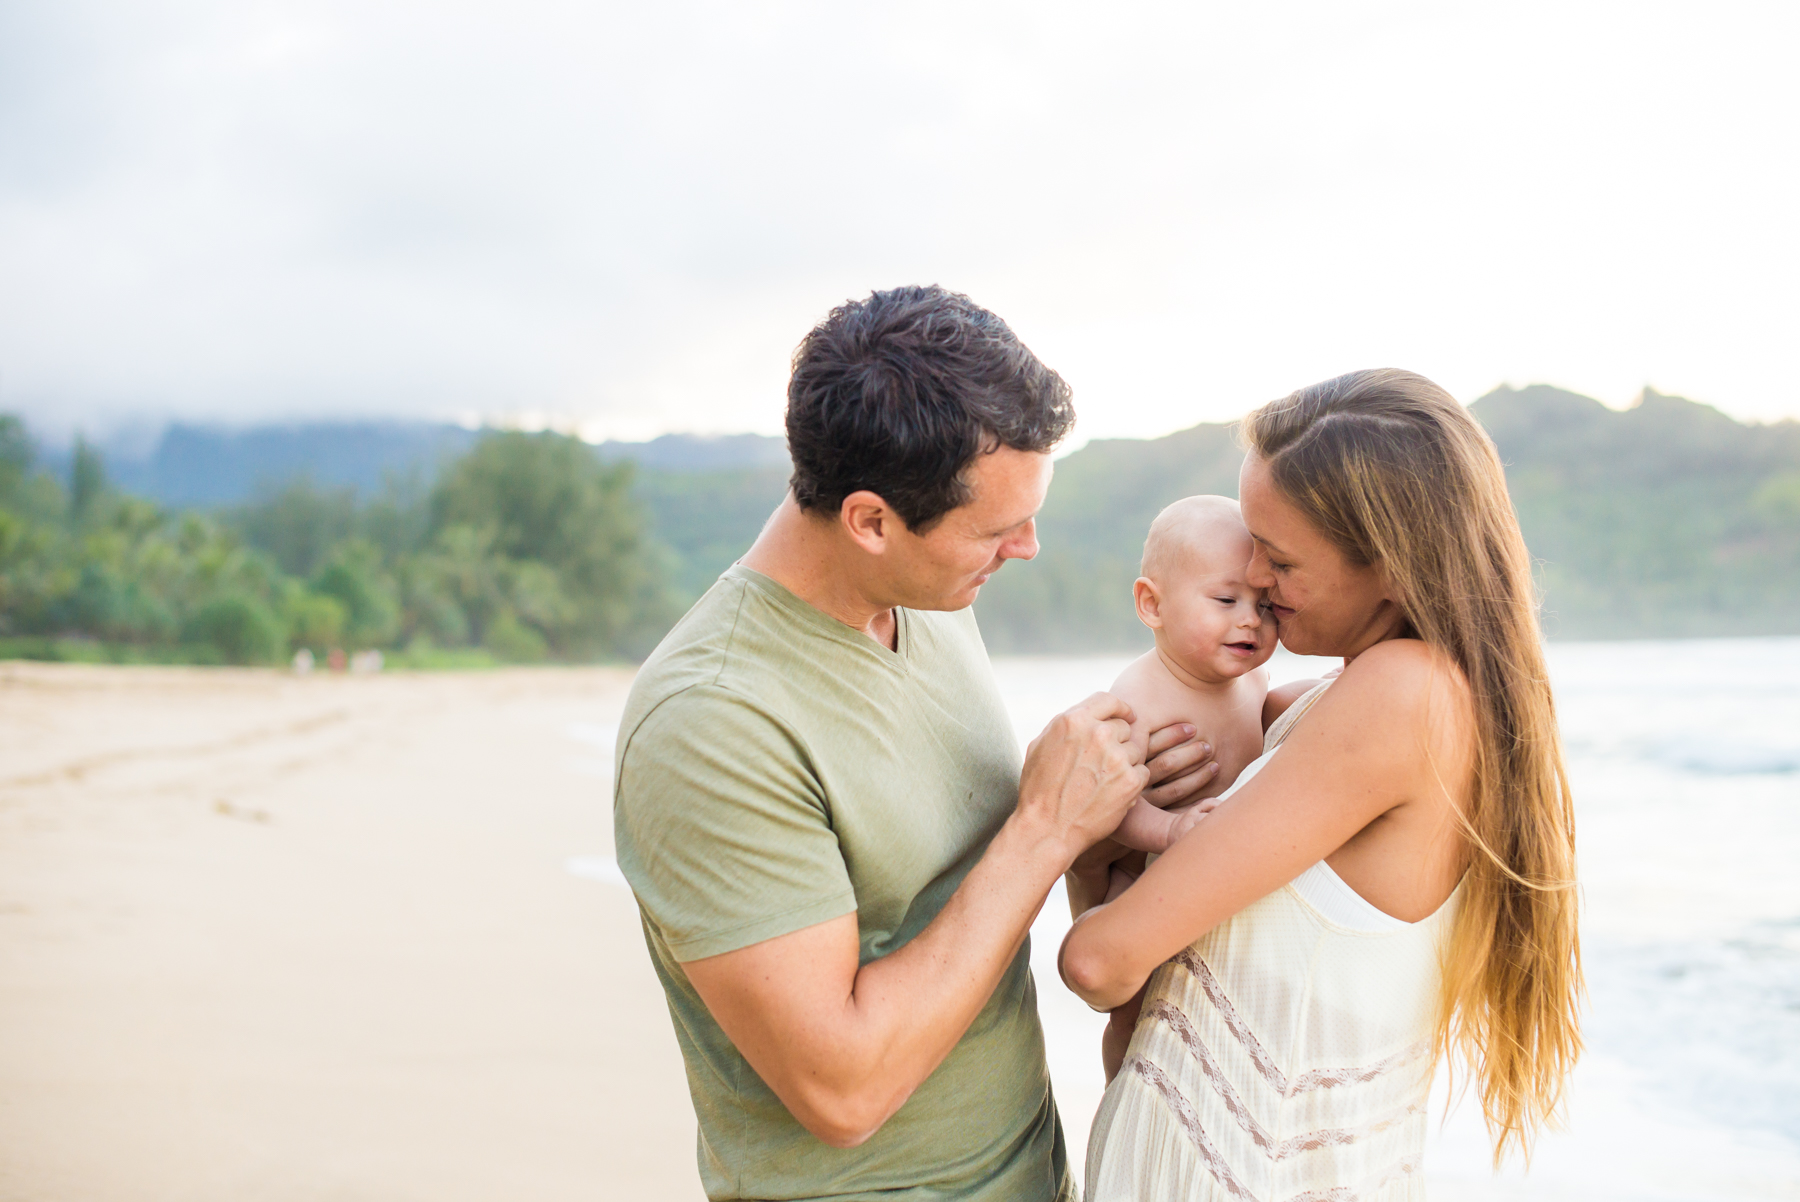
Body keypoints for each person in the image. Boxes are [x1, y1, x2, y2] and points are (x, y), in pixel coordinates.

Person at [612, 285, 1218, 1202]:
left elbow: (955, 882)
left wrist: (1108, 814)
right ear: (870, 520)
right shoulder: (710, 721)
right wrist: (1044, 829)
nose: (1028, 548)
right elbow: (841, 1088)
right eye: (996, 528)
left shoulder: (927, 599)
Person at [1060, 369, 1582, 1200]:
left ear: (1389, 566)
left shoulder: (1403, 696)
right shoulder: (1335, 706)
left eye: (1281, 556)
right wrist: (1105, 847)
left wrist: (1063, 837)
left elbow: (1098, 960)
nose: (1255, 576)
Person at [1096, 494, 1317, 1084]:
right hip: (1150, 877)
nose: (1250, 620)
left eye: (1264, 605)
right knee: (1135, 1009)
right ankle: (1131, 1086)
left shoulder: (1254, 681)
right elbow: (1109, 801)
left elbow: (1272, 728)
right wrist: (1165, 828)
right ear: (1152, 604)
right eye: (1226, 600)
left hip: (1224, 879)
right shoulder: (1140, 696)